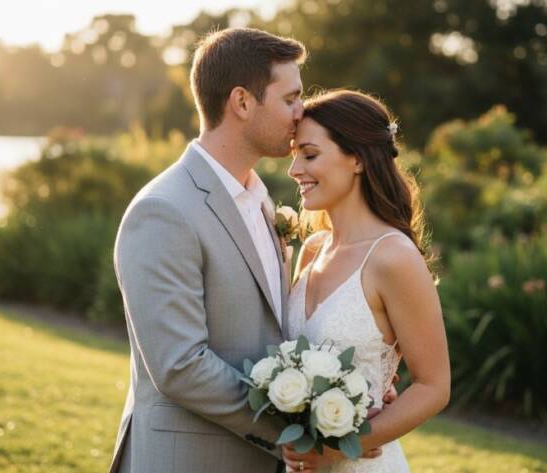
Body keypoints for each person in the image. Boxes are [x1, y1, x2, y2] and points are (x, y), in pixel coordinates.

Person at [108, 29, 390, 473]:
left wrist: (351, 390)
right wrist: (304, 425)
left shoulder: (259, 200)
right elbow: (180, 366)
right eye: (290, 98)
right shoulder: (163, 211)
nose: (301, 113)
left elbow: (275, 331)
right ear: (241, 102)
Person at [282, 90, 451, 473]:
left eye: (309, 154)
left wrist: (342, 447)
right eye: (293, 155)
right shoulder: (311, 250)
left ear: (357, 158)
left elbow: (433, 387)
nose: (293, 169)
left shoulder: (393, 257)